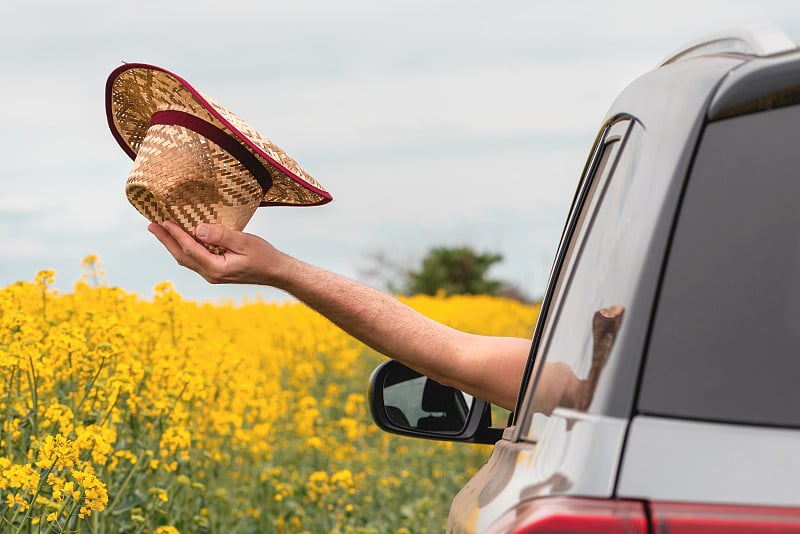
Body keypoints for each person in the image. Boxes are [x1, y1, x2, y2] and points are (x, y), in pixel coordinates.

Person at [149, 221, 622, 415]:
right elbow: (450, 356)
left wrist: (282, 271)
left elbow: (450, 356)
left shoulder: (602, 397)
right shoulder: (613, 393)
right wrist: (278, 270)